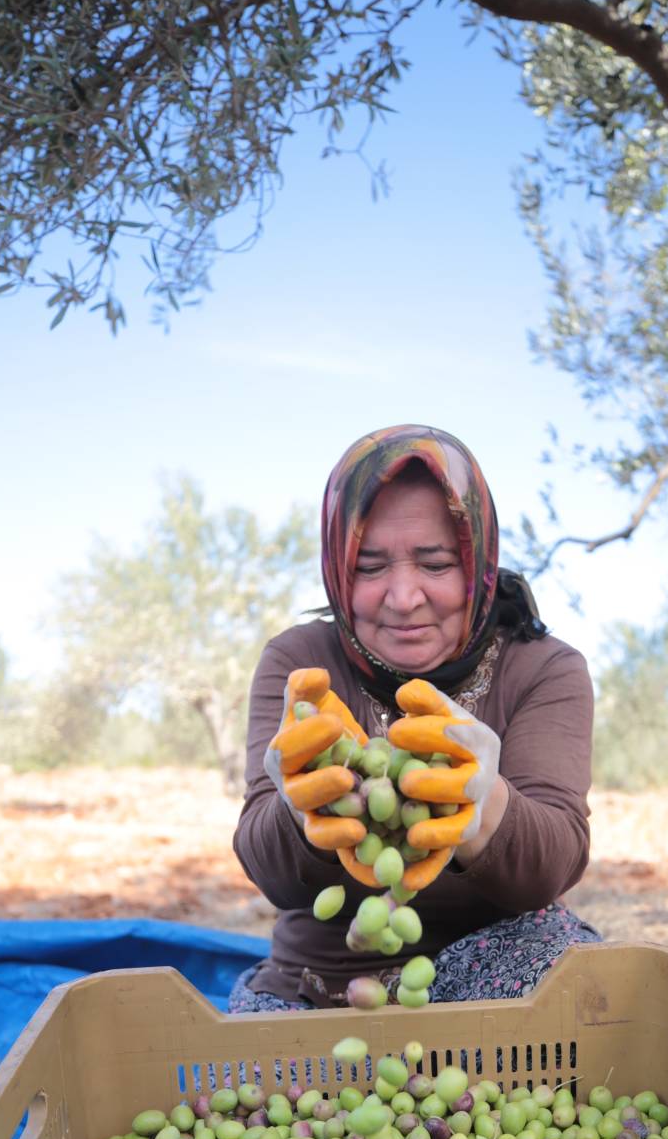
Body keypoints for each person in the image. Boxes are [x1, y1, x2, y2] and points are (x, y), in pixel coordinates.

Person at [230, 424, 601, 1012]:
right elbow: (266, 867)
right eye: (370, 568)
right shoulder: (301, 663)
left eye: (434, 564)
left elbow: (552, 863)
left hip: (495, 978)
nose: (403, 598)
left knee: (585, 993)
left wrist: (484, 806)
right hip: (320, 990)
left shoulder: (543, 669)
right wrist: (296, 810)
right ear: (338, 568)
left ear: (477, 560)